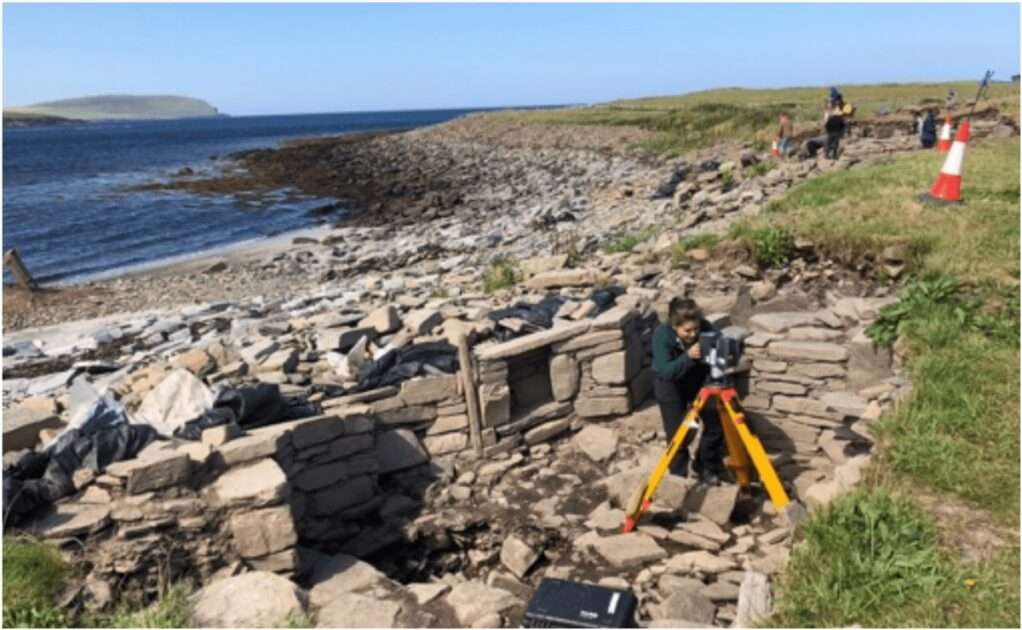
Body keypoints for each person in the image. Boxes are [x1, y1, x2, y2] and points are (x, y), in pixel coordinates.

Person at [651, 297, 726, 485]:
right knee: (680, 433)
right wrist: (688, 357)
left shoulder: (706, 328)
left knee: (715, 424)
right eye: (687, 330)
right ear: (674, 326)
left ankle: (705, 465)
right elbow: (665, 371)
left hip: (698, 380)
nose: (693, 334)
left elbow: (720, 349)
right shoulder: (661, 335)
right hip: (670, 385)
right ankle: (678, 477)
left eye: (696, 329)